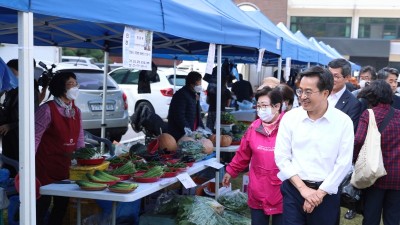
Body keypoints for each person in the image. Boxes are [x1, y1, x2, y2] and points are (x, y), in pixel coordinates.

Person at [275, 66, 354, 225]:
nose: (302, 96)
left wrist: (319, 194)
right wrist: (303, 190)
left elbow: (343, 163)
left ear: (326, 93)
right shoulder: (290, 118)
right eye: (300, 91)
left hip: (327, 193)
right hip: (294, 189)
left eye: (308, 92)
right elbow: (282, 156)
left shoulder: (343, 122)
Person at [222, 86, 284, 225]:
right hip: (258, 188)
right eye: (258, 106)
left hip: (282, 190)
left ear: (277, 106)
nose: (261, 110)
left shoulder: (288, 127)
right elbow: (243, 153)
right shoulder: (254, 127)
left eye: (265, 106)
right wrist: (231, 171)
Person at [35, 71, 84, 225]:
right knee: (41, 205)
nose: (75, 87)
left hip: (65, 167)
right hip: (45, 166)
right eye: (71, 84)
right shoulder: (46, 109)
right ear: (60, 87)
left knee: (61, 206)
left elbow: (80, 137)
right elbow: (34, 138)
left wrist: (82, 159)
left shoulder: (76, 111)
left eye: (76, 84)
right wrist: (27, 166)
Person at [354, 80, 400, 225]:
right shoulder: (399, 114)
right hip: (397, 175)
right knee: (393, 218)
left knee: (371, 216)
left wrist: (354, 160)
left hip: (374, 174)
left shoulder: (369, 115)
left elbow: (358, 140)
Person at [0, 59, 40, 177]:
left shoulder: (28, 90)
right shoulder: (11, 89)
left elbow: (31, 115)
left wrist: (10, 125)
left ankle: (20, 191)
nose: (9, 76)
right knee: (9, 164)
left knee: (19, 166)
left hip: (20, 136)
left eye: (11, 73)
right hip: (9, 136)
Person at [167, 71, 204, 141]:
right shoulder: (181, 95)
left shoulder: (195, 95)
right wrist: (188, 130)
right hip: (180, 134)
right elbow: (179, 116)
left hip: (191, 133)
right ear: (192, 84)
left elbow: (197, 114)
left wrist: (202, 129)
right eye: (199, 83)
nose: (200, 85)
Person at [328, 58, 361, 132]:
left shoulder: (353, 104)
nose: (331, 79)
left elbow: (349, 132)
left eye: (336, 76)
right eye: (329, 75)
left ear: (347, 78)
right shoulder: (319, 94)